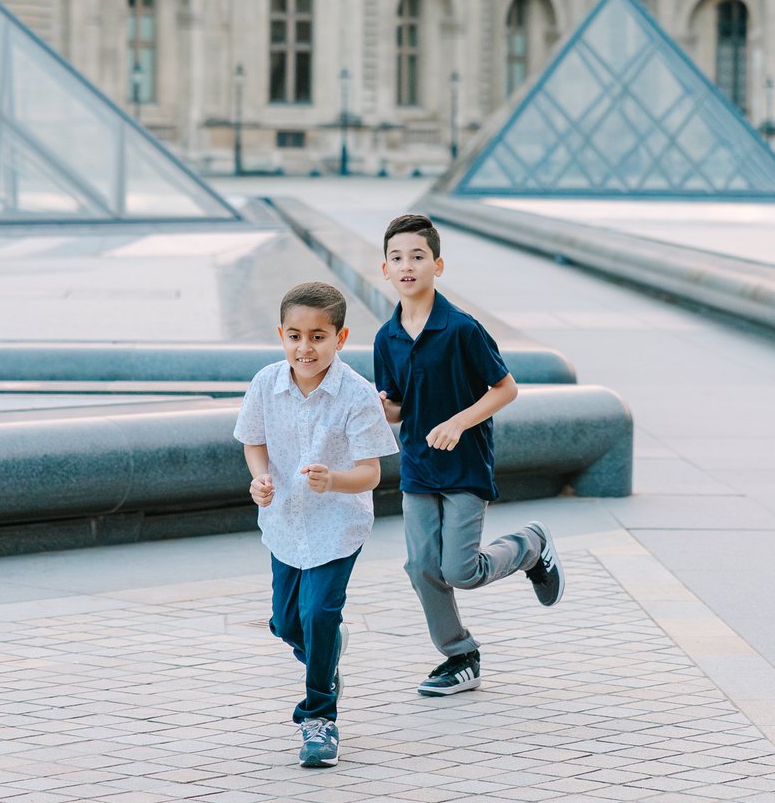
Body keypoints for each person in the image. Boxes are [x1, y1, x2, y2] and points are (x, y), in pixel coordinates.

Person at [373, 212, 565, 697]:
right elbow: (398, 406)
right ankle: (460, 656)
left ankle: (530, 546)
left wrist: (459, 422)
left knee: (460, 571)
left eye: (418, 256)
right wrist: (381, 408)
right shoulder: (385, 337)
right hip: (418, 466)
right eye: (397, 257)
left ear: (438, 265)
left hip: (464, 466)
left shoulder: (462, 328)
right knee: (422, 568)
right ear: (385, 269)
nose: (407, 265)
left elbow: (506, 389)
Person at [235, 281, 399, 770]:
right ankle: (325, 658)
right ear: (281, 335)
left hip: (337, 525)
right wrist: (260, 478)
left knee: (319, 614)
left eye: (318, 337)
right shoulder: (266, 383)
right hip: (284, 521)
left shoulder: (358, 394)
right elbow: (253, 441)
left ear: (340, 338)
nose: (305, 348)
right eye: (295, 336)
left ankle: (319, 718)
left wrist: (335, 480)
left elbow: (371, 473)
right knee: (286, 623)